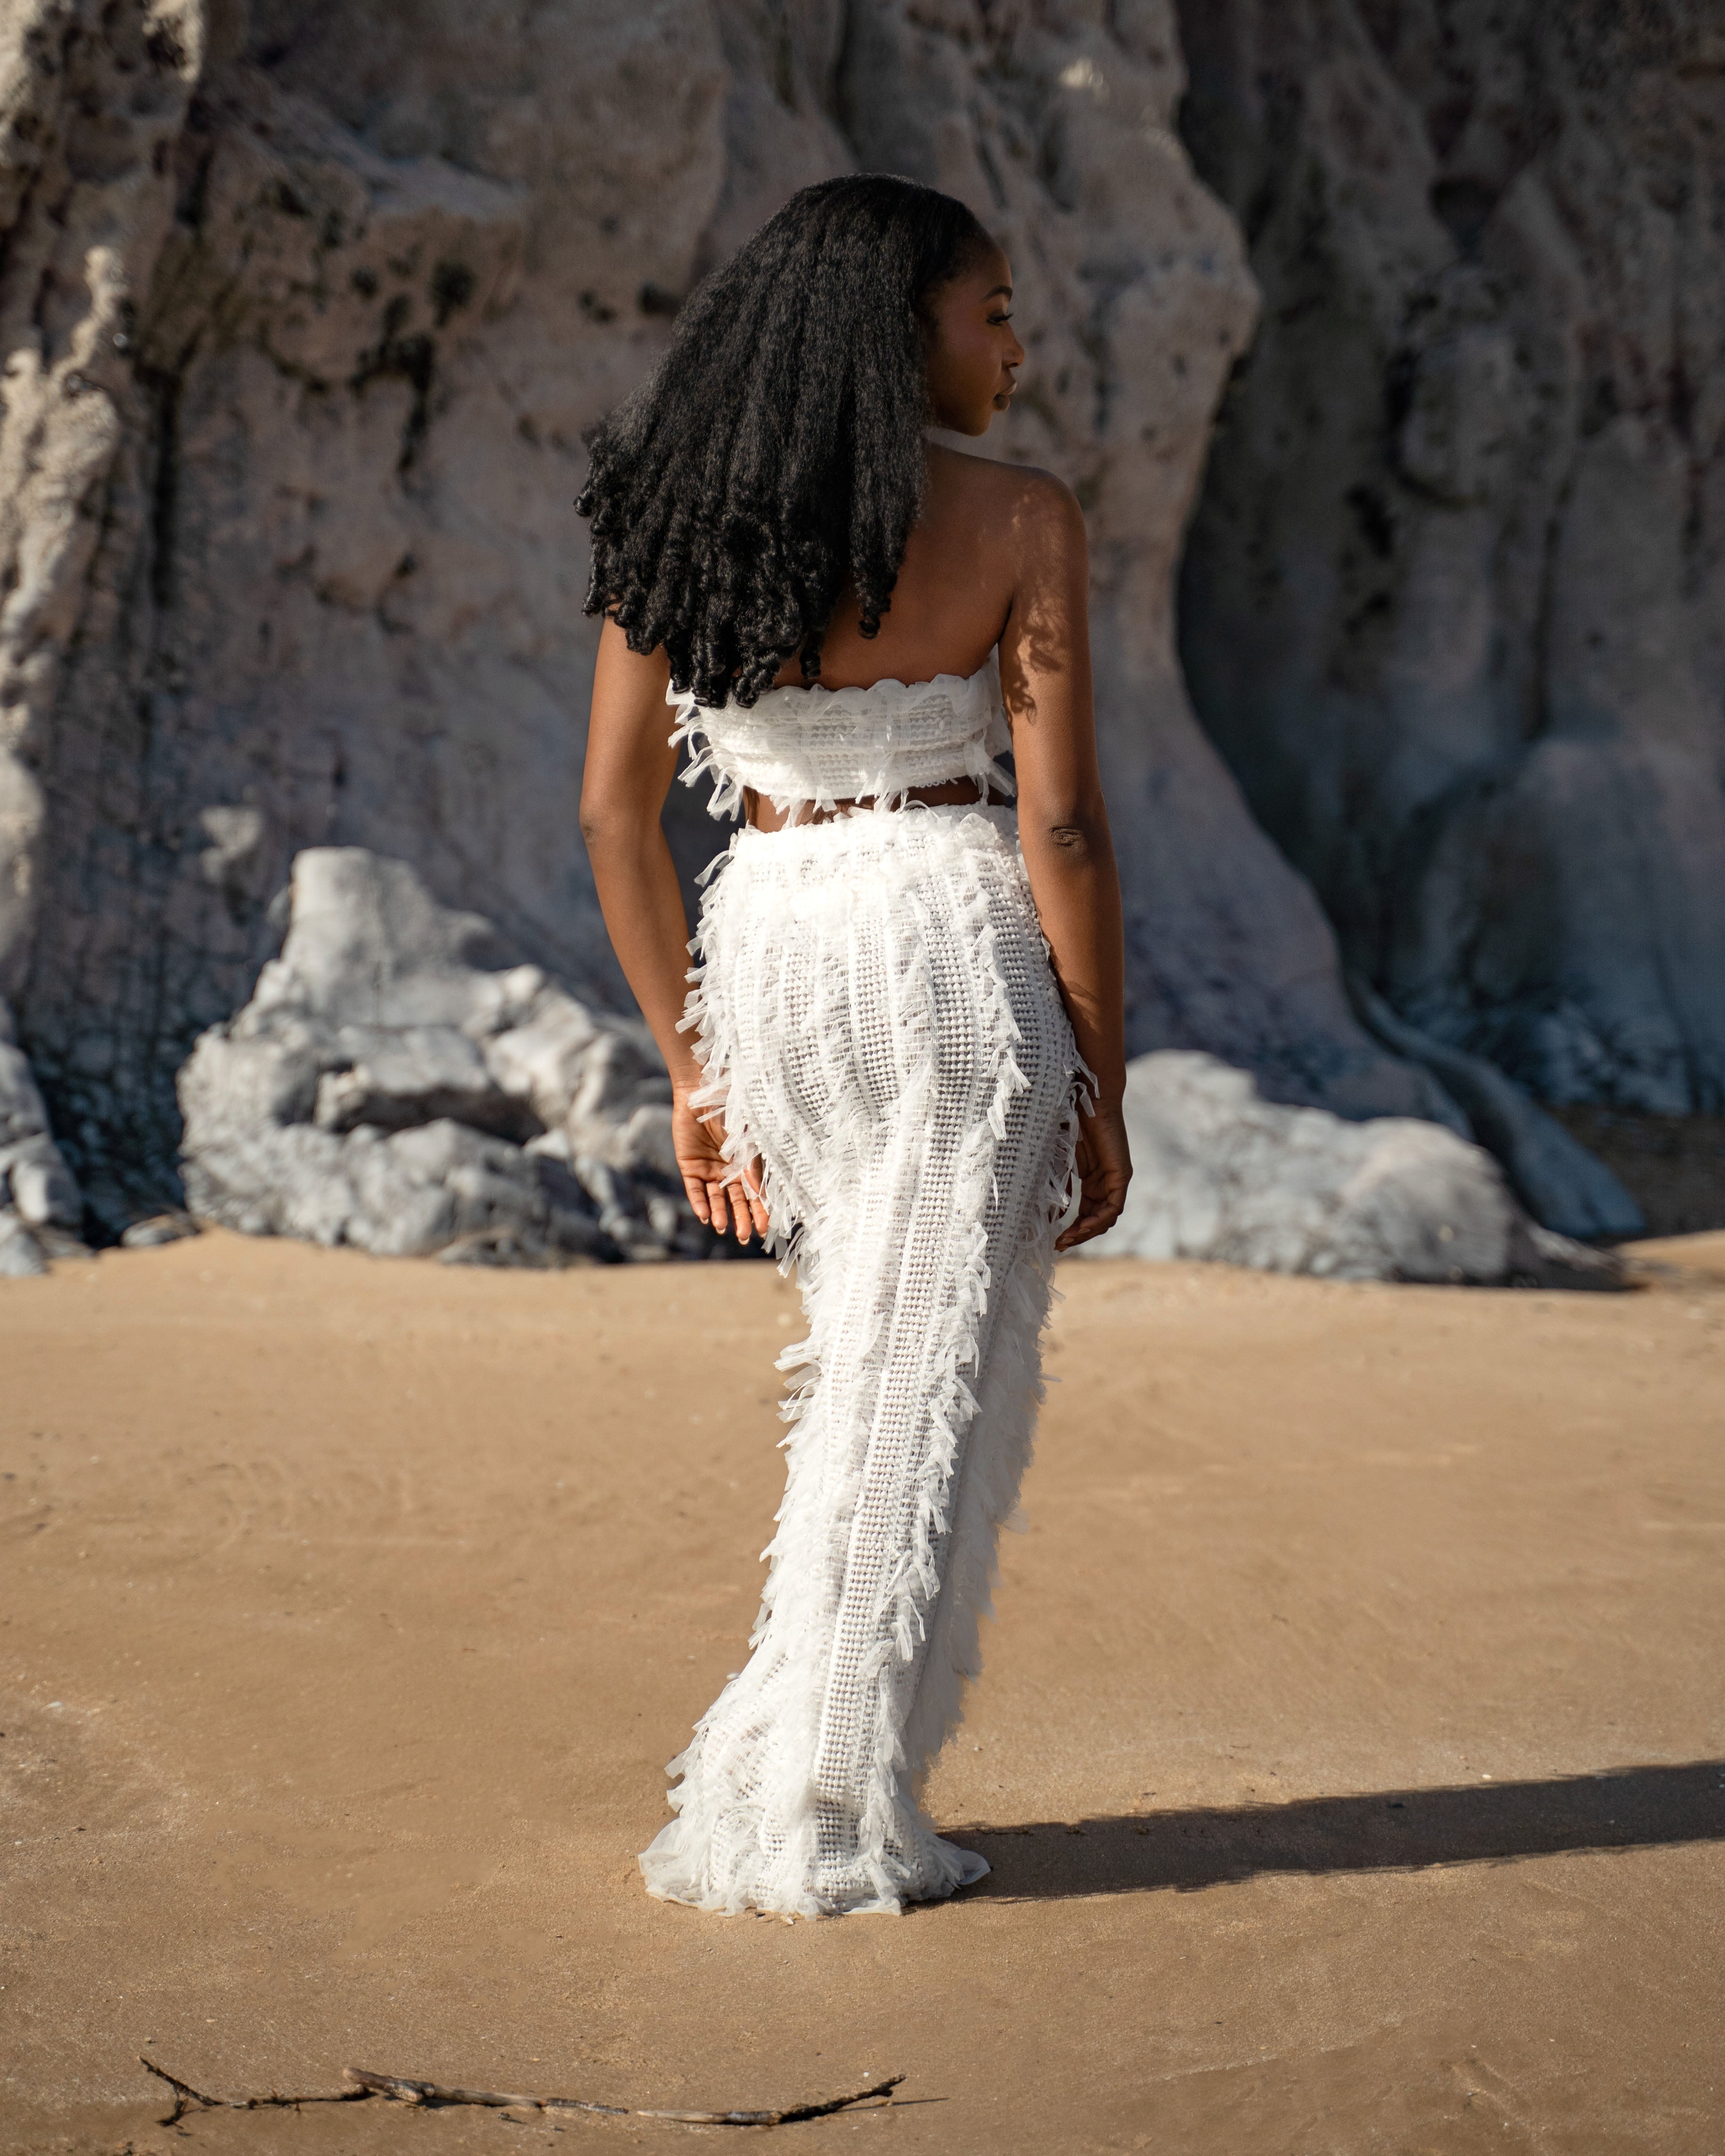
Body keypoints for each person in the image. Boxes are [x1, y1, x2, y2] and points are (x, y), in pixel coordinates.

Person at [577, 173, 1130, 1918]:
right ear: (907, 333)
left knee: (873, 1370)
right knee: (916, 1383)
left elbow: (611, 816)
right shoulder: (1024, 518)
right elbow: (1064, 836)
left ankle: (799, 1772)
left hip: (779, 947)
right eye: (990, 315)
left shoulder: (676, 516)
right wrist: (1102, 1071)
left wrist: (692, 1064)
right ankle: (819, 1812)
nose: (1015, 352)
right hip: (949, 948)